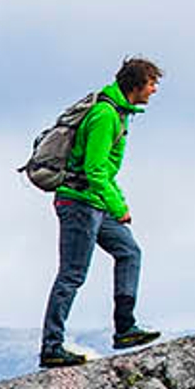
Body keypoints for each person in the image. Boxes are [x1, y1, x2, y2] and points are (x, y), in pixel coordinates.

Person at [40, 60, 165, 369]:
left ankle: (125, 328)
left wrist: (116, 202)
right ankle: (52, 347)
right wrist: (119, 207)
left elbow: (106, 173)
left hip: (95, 202)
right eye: (151, 83)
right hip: (78, 202)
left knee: (129, 252)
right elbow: (95, 170)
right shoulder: (105, 115)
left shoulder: (118, 114)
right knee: (72, 274)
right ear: (136, 85)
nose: (154, 89)